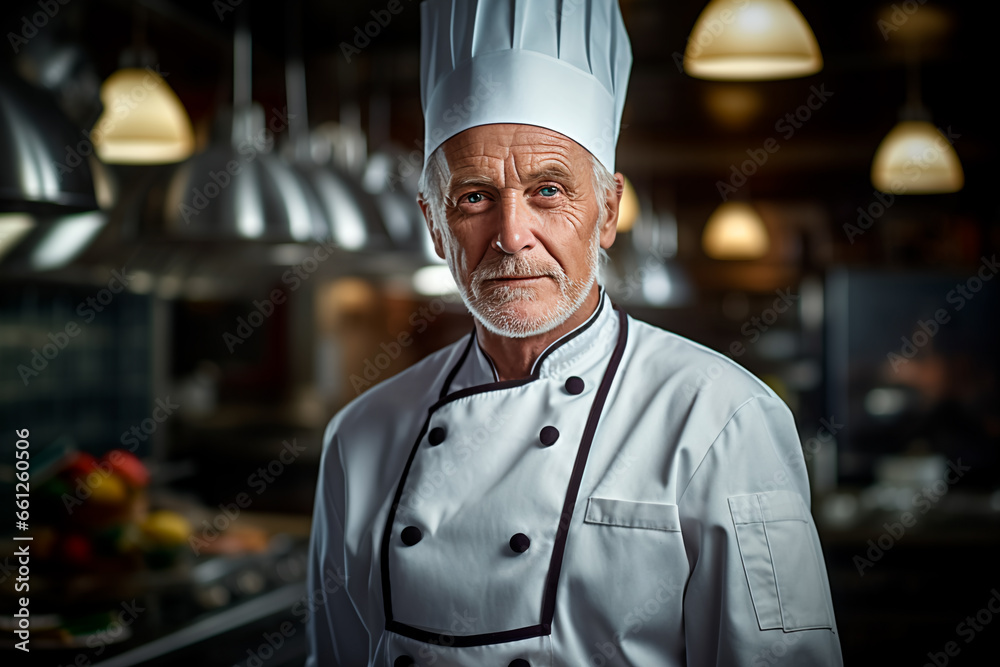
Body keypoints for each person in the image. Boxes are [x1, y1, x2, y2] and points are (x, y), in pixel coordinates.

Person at [306, 1, 843, 665]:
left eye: (549, 190)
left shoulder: (723, 420)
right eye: (474, 195)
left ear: (609, 208)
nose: (510, 234)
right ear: (433, 222)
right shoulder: (360, 438)